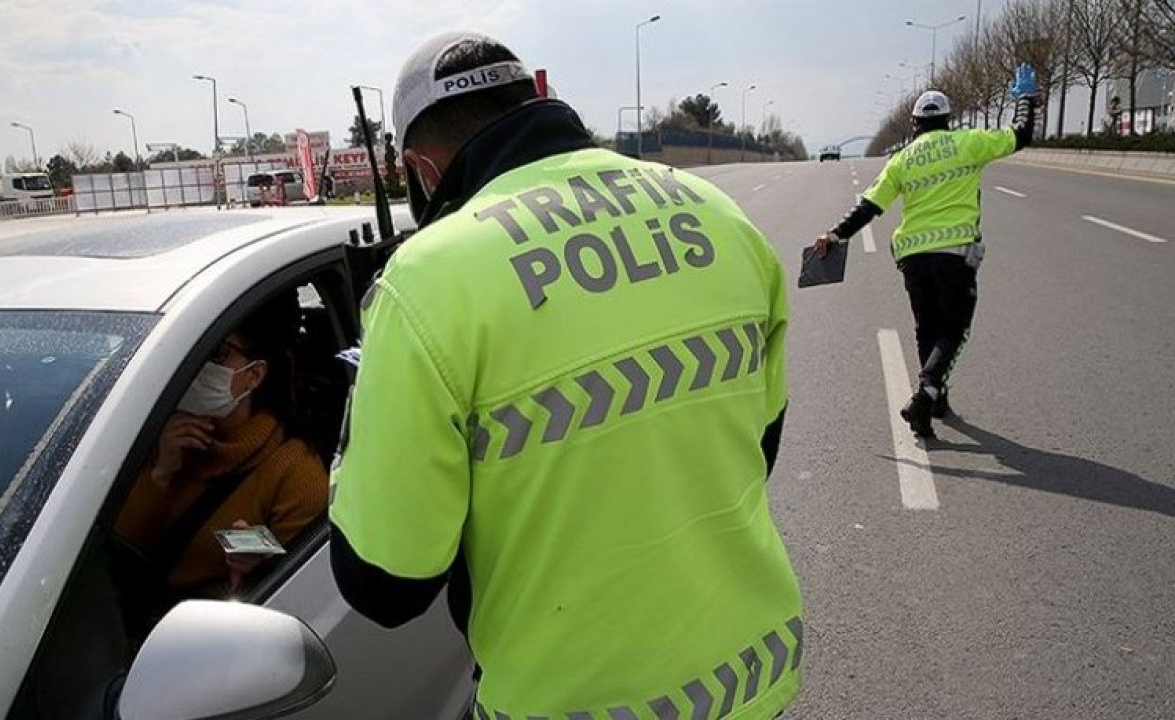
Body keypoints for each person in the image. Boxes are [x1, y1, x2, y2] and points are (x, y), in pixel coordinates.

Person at [328, 32, 803, 719]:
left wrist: (353, 429)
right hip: (751, 676)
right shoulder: (721, 219)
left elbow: (385, 584)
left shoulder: (427, 284)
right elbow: (757, 449)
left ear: (422, 172)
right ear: (541, 102)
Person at [813, 64, 1040, 438]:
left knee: (927, 329)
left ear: (914, 123)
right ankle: (925, 395)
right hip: (954, 254)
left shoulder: (902, 159)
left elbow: (869, 206)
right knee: (954, 329)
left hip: (913, 258)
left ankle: (935, 401)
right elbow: (1020, 134)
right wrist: (1025, 100)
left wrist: (835, 236)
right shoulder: (969, 142)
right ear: (948, 121)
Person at [113, 298, 328, 638]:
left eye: (217, 354)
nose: (196, 366)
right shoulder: (154, 430)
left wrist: (258, 563)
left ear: (254, 375)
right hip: (121, 625)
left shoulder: (295, 472)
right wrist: (161, 475)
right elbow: (115, 555)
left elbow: (304, 601)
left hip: (203, 640)